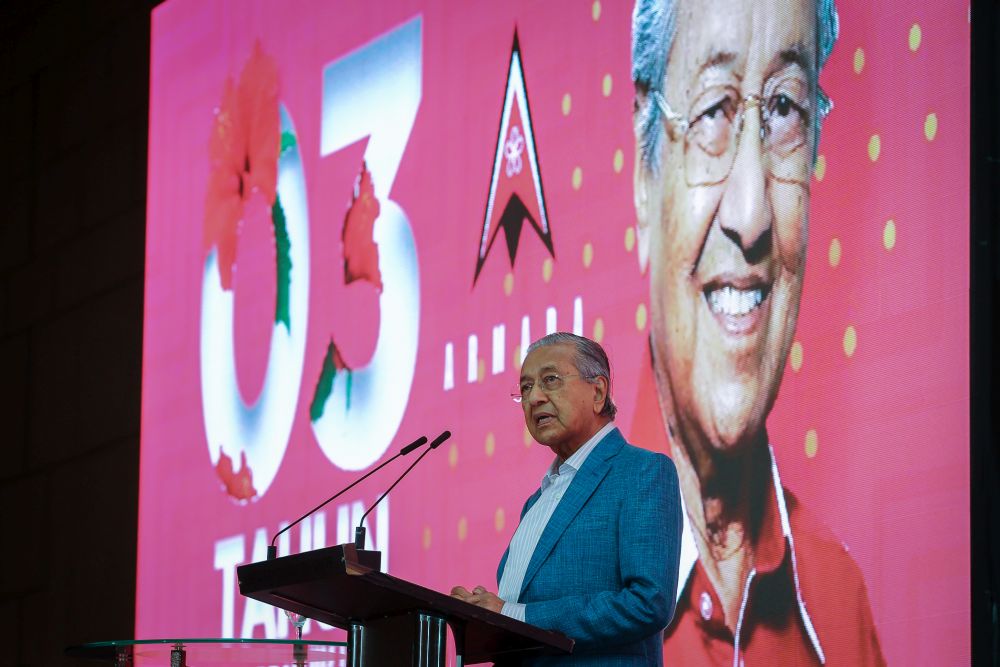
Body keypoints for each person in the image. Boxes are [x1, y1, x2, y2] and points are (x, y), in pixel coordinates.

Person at [630, 0, 886, 664]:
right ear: (643, 167)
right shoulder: (572, 583)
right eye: (713, 110)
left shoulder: (838, 604)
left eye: (784, 111)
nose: (751, 213)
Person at [452, 332, 682, 665]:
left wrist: (517, 615)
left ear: (598, 392)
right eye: (526, 387)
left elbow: (648, 602)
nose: (534, 398)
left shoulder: (642, 472)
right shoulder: (535, 502)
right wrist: (482, 616)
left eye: (550, 380)